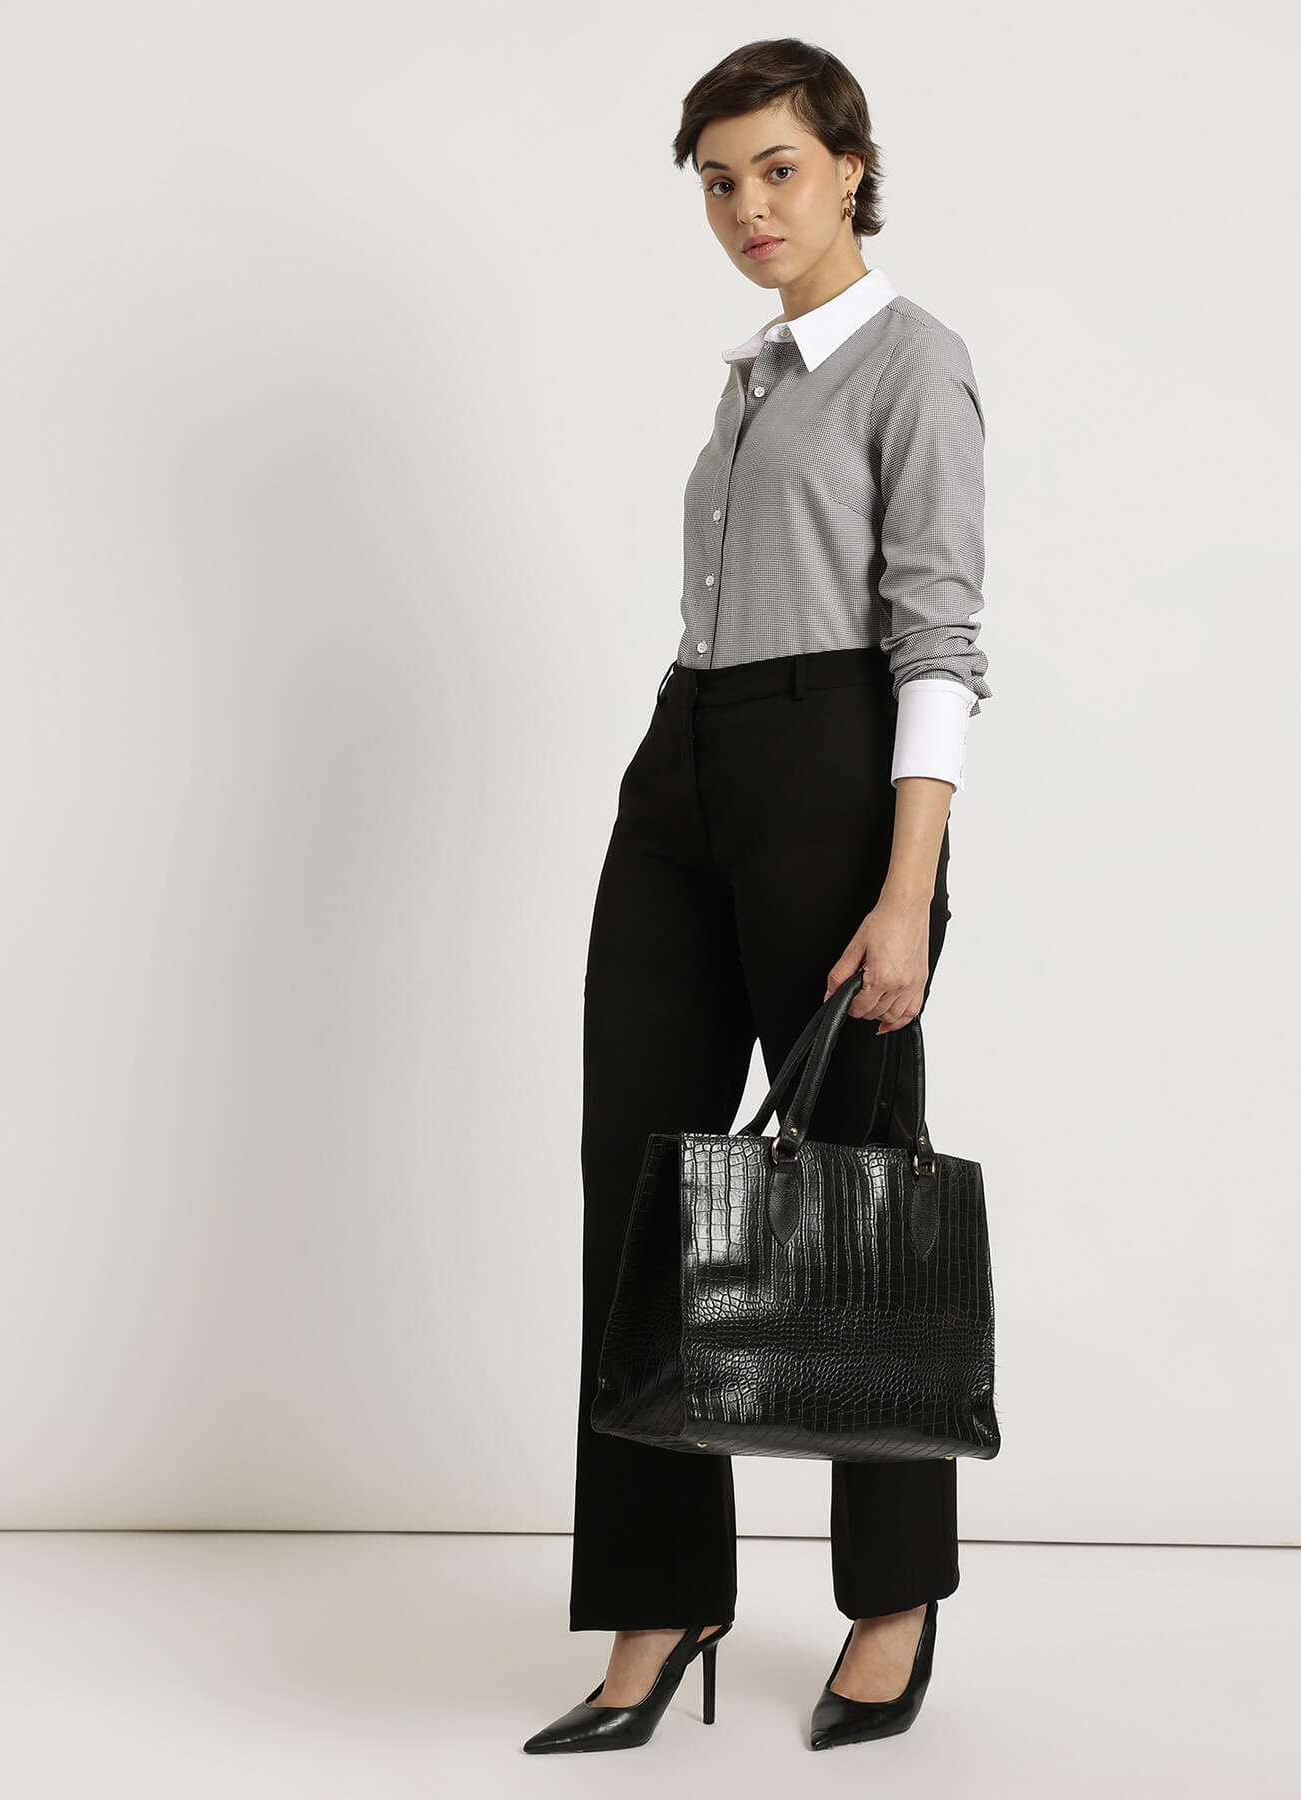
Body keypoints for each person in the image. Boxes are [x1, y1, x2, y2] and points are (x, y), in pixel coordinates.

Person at [523, 36, 992, 1756]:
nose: (745, 206)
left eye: (776, 168)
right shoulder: (747, 376)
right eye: (717, 179)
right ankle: (660, 1596)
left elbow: (938, 640)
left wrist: (904, 890)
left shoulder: (910, 365)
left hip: (831, 774)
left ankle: (891, 1603)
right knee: (636, 1185)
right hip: (683, 762)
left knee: (860, 1198)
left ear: (851, 166)